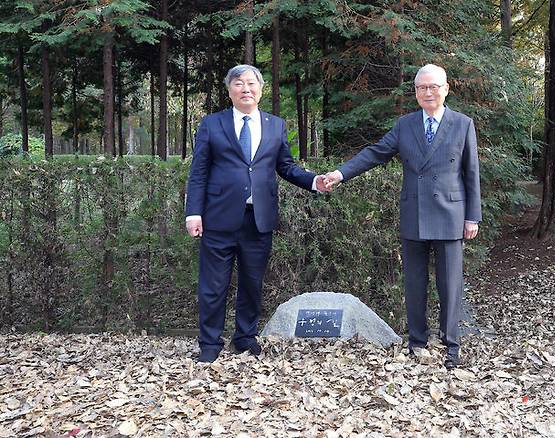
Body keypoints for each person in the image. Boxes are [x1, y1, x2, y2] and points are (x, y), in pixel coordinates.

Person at [324, 64, 481, 369]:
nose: (427, 92)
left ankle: (452, 344)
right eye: (421, 87)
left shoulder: (462, 124)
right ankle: (417, 341)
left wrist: (472, 217)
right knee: (414, 282)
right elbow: (374, 153)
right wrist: (341, 173)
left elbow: (471, 173)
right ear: (416, 92)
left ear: (446, 89)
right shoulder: (405, 125)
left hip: (451, 214)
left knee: (450, 286)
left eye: (433, 86)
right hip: (415, 213)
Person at [185, 64, 329, 363]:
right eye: (239, 83)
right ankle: (209, 344)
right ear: (230, 90)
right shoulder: (212, 124)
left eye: (252, 83)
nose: (245, 89)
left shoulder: (275, 125)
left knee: (252, 284)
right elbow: (198, 172)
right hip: (218, 218)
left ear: (261, 89)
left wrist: (313, 181)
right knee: (213, 286)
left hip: (258, 219)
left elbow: (286, 167)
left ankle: (245, 339)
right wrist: (193, 213)